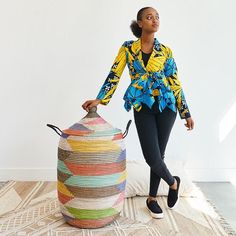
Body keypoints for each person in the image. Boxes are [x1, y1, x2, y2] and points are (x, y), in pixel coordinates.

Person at [82, 6, 194, 219]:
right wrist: (100, 99)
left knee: (158, 155)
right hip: (142, 106)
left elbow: (175, 83)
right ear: (140, 22)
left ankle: (151, 199)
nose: (155, 20)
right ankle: (173, 182)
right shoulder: (127, 48)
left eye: (157, 17)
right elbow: (114, 73)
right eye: (149, 17)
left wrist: (185, 112)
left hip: (166, 106)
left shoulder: (166, 51)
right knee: (151, 156)